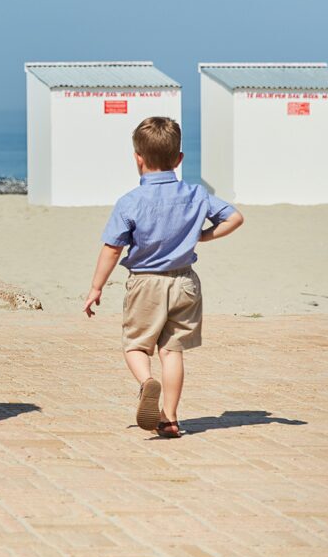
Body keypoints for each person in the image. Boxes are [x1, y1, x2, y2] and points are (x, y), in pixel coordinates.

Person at [83, 117, 243, 438]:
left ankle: (146, 382)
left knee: (136, 346)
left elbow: (112, 249)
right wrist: (205, 236)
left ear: (137, 158)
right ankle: (169, 418)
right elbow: (234, 217)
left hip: (146, 282)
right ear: (179, 159)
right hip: (185, 282)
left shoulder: (130, 202)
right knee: (172, 351)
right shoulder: (196, 195)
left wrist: (96, 287)